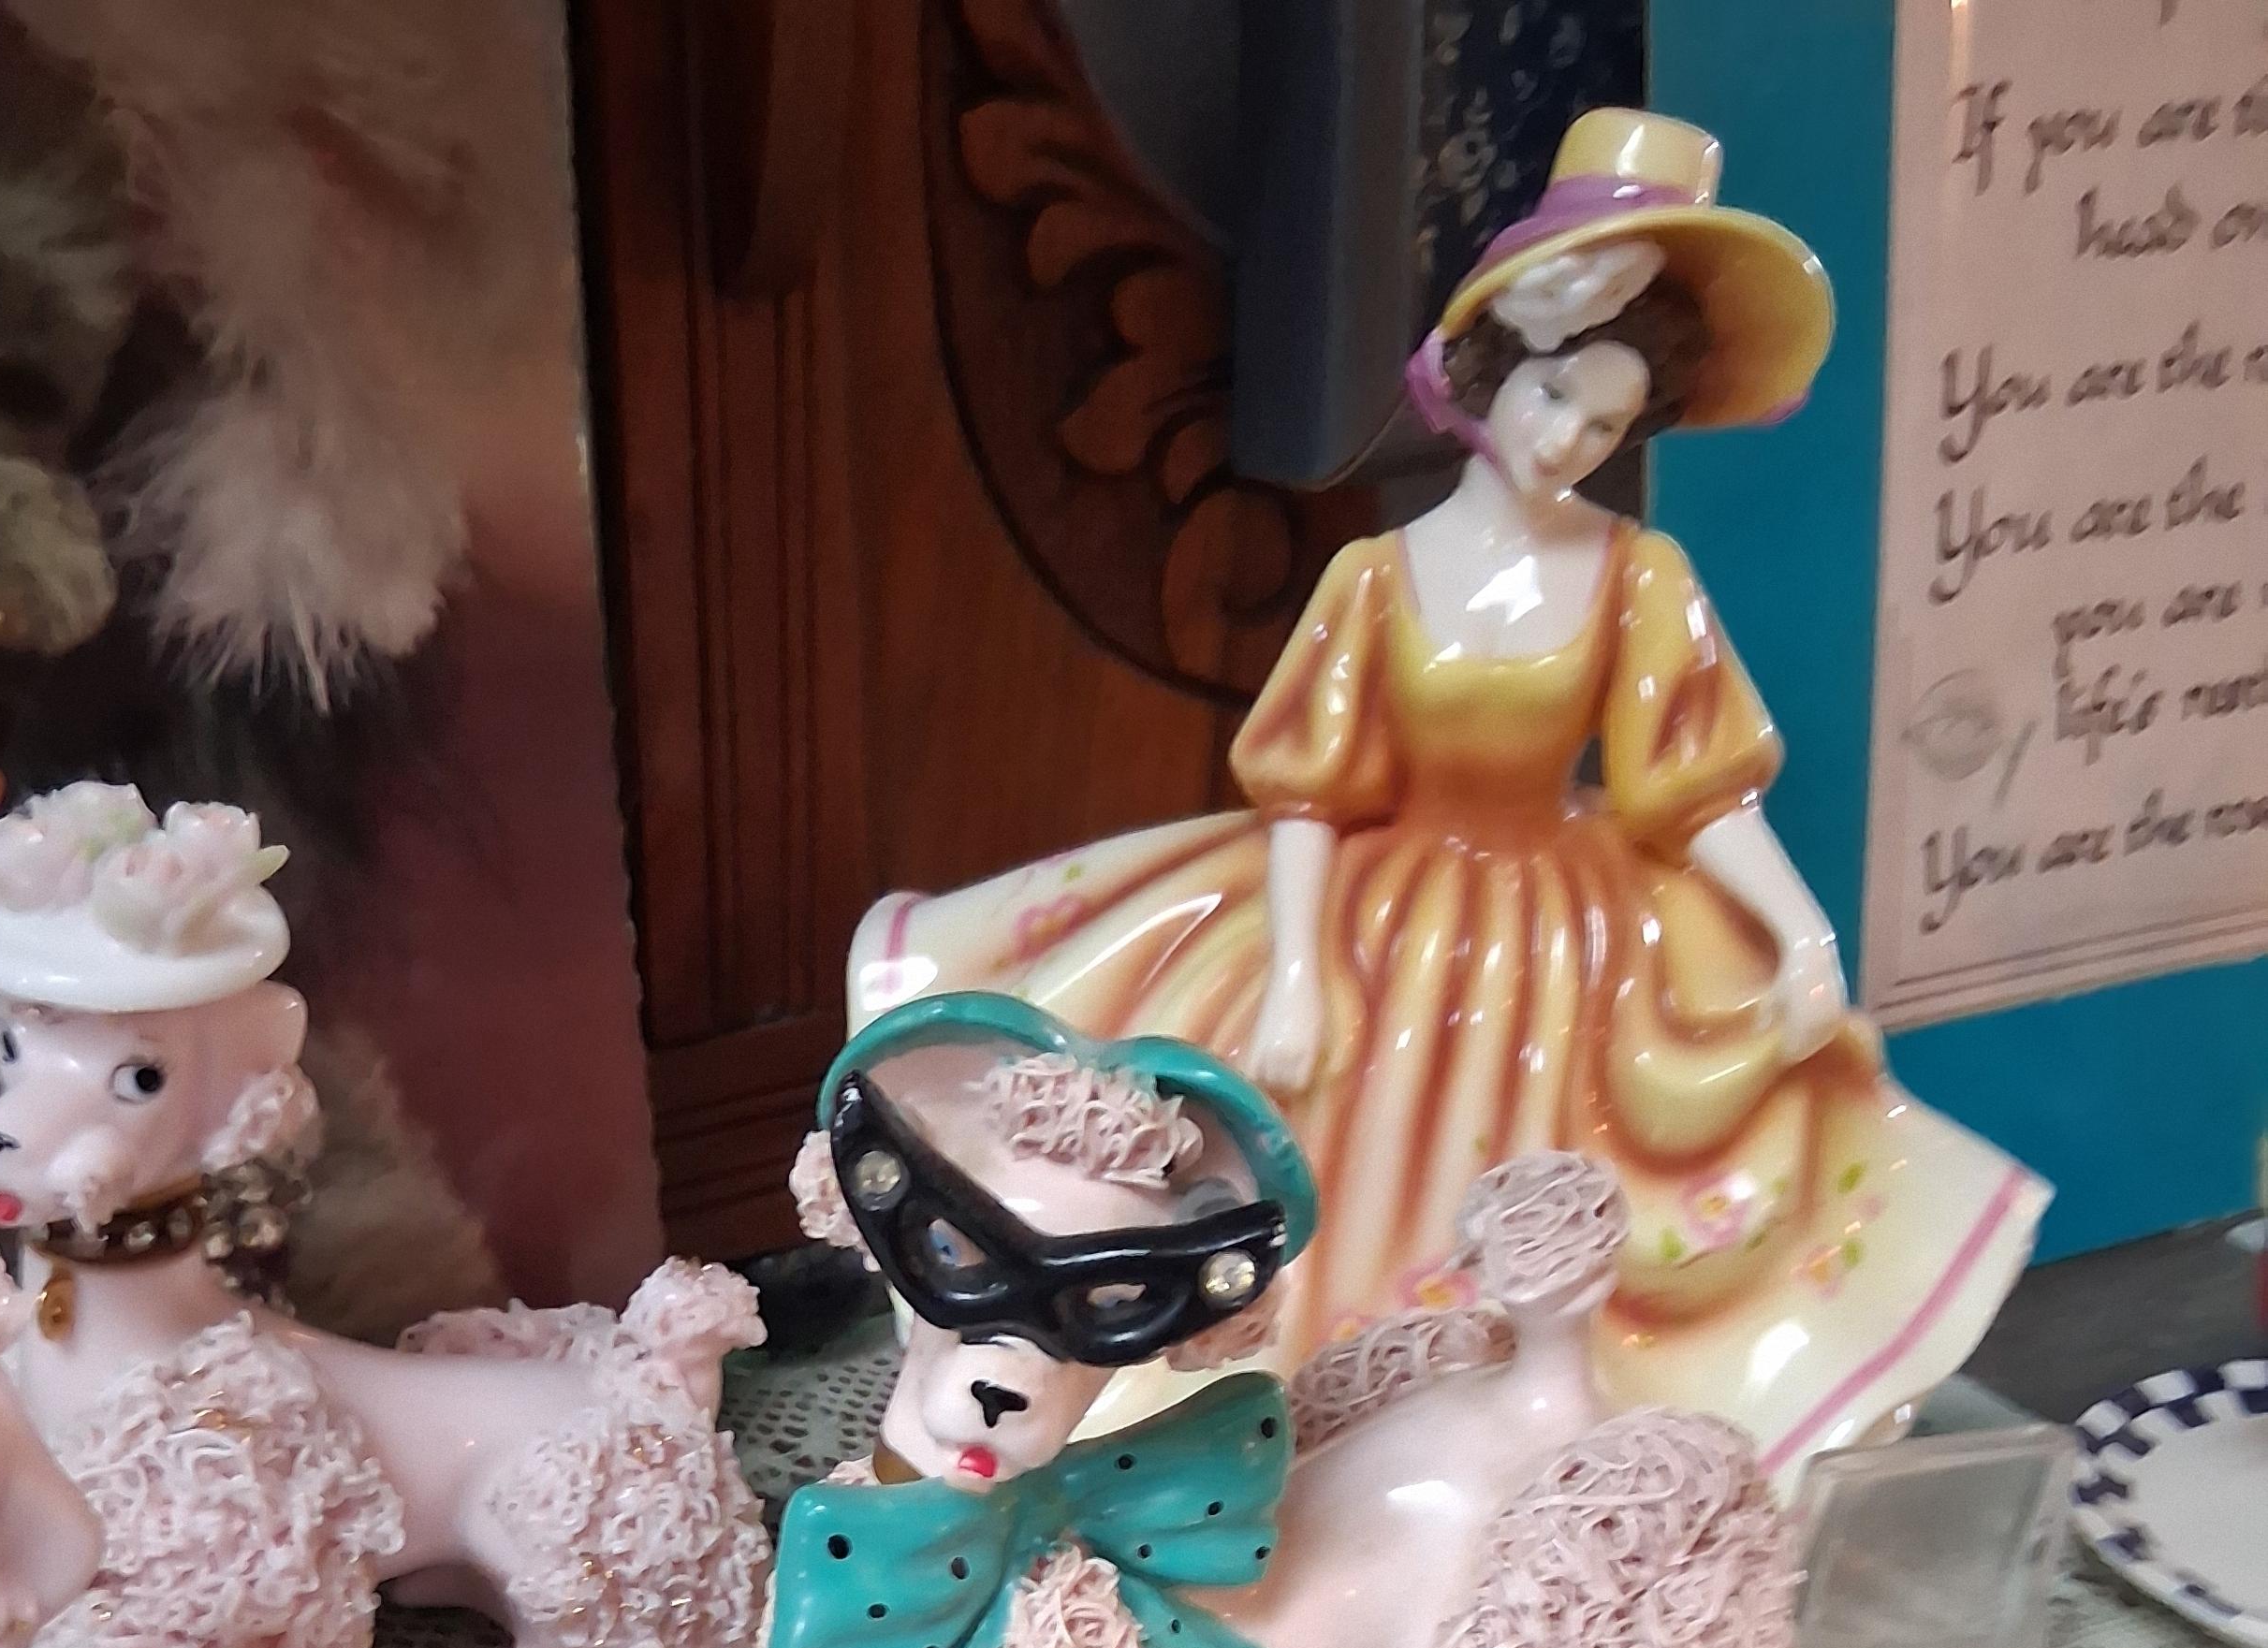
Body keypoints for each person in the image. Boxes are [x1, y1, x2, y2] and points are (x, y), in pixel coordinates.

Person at [851, 110, 2042, 1468]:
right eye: (1552, 396)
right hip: (1375, 927)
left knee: (1586, 1163)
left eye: (1607, 420)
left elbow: (1700, 790)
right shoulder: (1376, 577)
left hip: (1568, 943)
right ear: (1493, 369)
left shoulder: (1640, 576)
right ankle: (1291, 1449)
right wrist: (1297, 968)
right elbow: (1309, 793)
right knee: (1319, 1156)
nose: (1570, 439)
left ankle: (1492, 1465)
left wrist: (1800, 930)